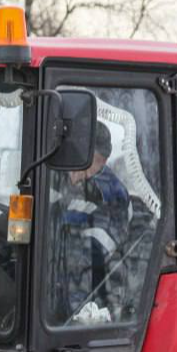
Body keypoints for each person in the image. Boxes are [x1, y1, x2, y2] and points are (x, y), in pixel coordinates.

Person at [58, 121, 132, 323]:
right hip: (49, 276)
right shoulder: (57, 176)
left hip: (88, 292)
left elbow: (93, 253)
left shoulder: (110, 193)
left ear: (101, 159)